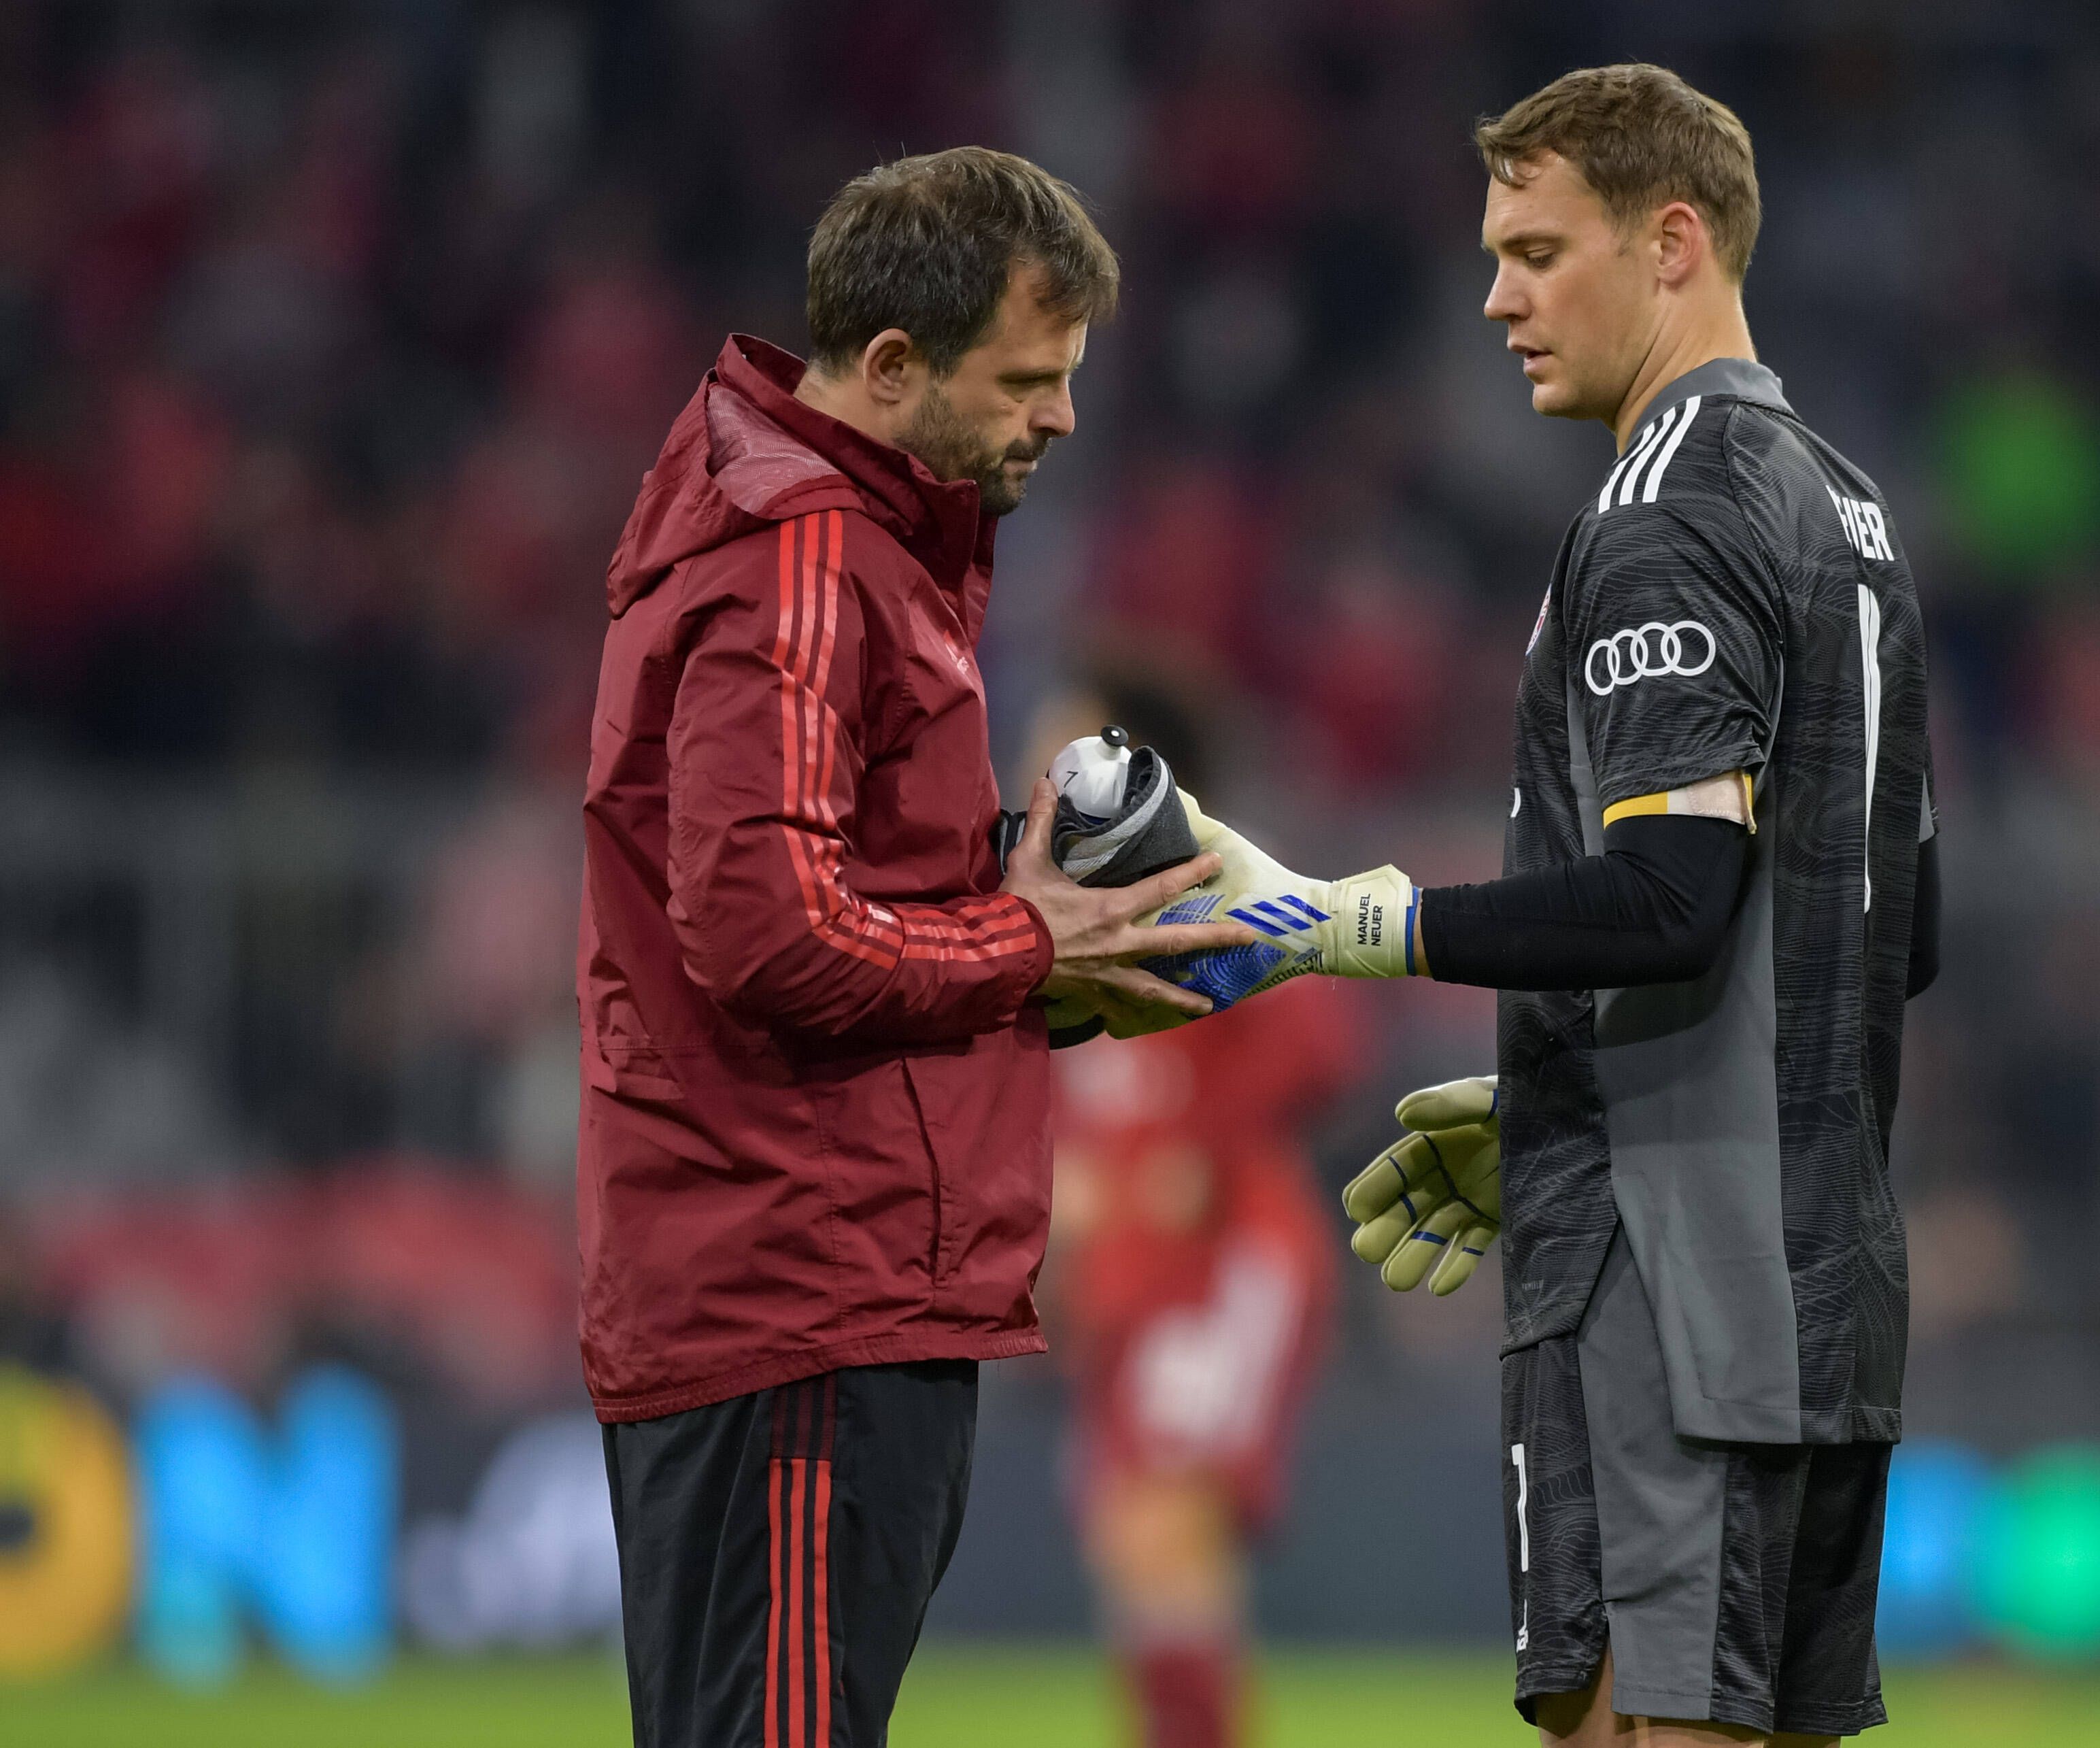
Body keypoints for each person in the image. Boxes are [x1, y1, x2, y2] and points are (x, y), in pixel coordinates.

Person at [1139, 65, 1942, 1746]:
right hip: (1820, 1281)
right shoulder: (1842, 507)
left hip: (1677, 1295)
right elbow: (1888, 932)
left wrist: (1344, 923)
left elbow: (1668, 894)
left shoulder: (1665, 516)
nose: (1494, 295)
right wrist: (1554, 1094)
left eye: (1531, 248)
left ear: (1669, 243)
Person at [577, 149, 1253, 1748]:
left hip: (785, 1272)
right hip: (803, 1282)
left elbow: (829, 912)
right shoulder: (808, 560)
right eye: (1029, 378)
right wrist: (1029, 938)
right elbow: (764, 929)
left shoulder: (825, 545)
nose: (1063, 416)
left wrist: (1047, 969)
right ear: (892, 368)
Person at [1032, 675, 1361, 1748]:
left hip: (1224, 1258)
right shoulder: (1048, 902)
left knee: (1163, 1530)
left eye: (1063, 744)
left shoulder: (1201, 878)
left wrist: (1183, 1154)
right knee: (1138, 1554)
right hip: (1131, 1273)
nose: (1040, 767)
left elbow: (1318, 1047)